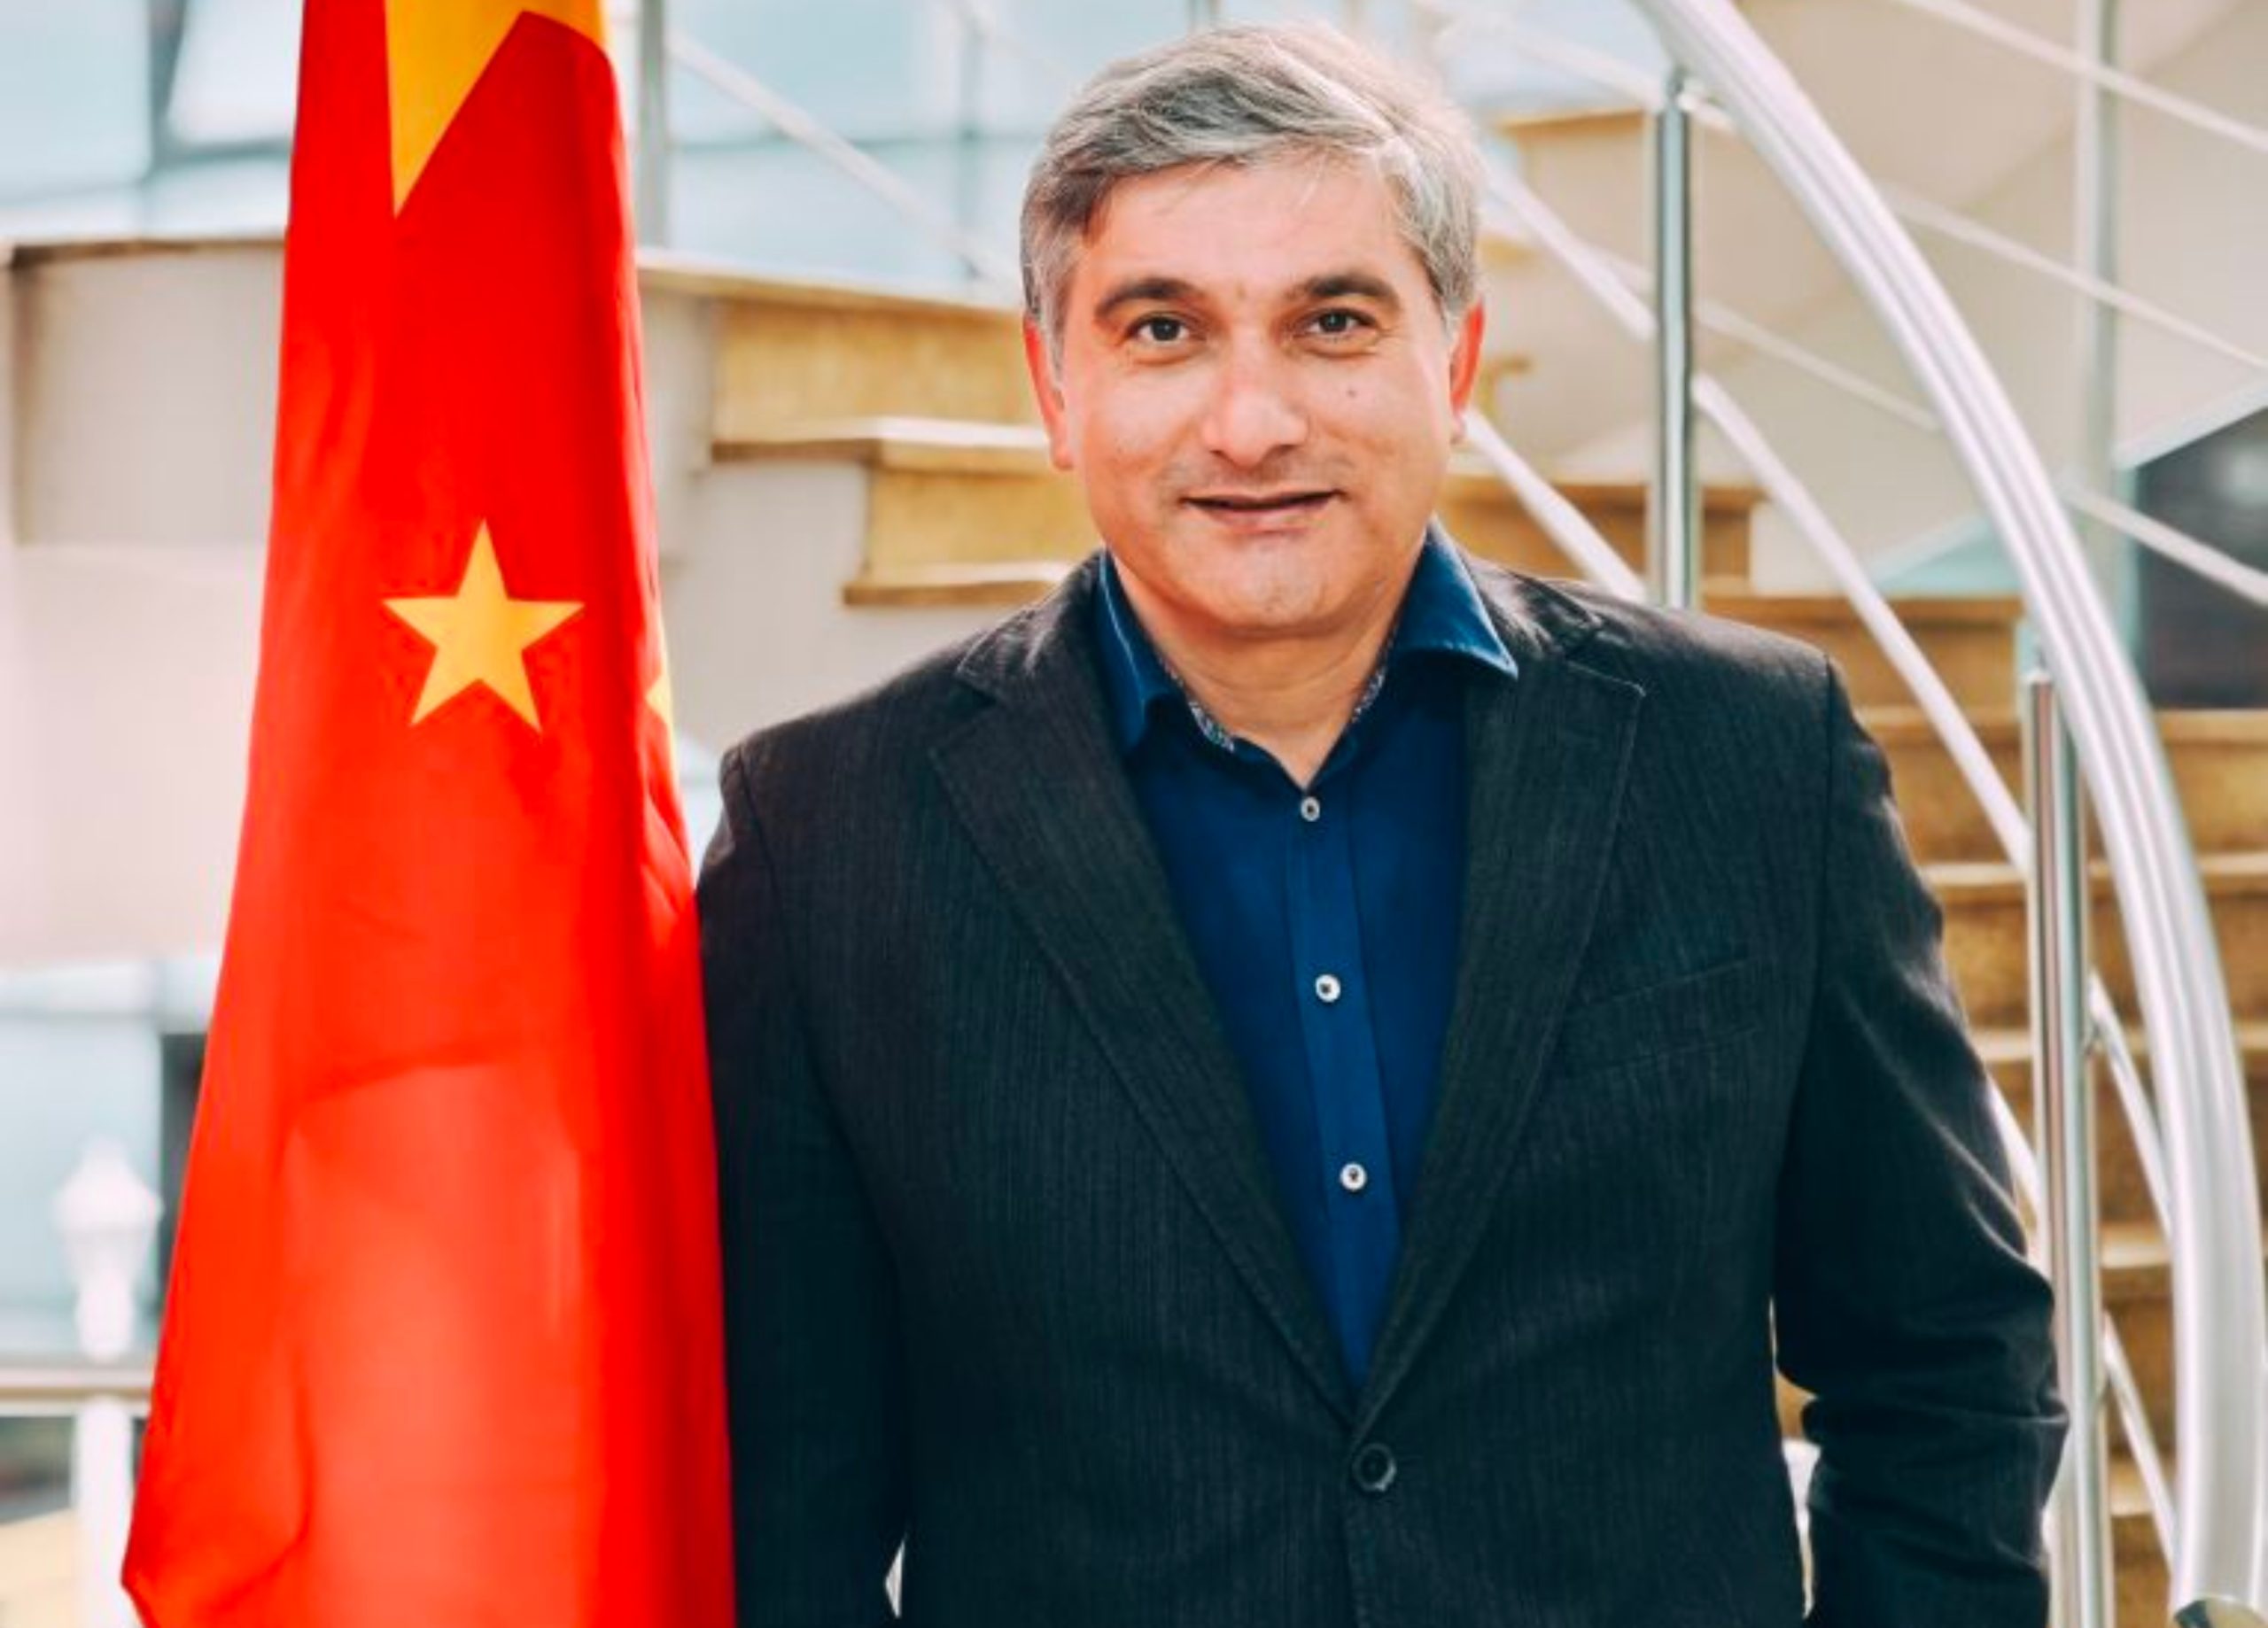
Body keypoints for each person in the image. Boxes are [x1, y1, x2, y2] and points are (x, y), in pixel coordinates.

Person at [696, 23, 2063, 1627]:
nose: (1252, 420)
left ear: (1456, 365)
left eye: (1332, 321)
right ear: (1056, 385)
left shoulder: (1751, 755)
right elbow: (781, 1509)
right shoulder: (826, 837)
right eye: (1163, 329)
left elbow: (1946, 1361)